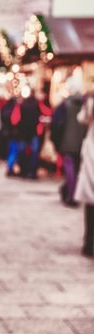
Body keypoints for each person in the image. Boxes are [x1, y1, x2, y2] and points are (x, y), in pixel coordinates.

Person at [51, 77, 87, 207]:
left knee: (70, 171)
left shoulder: (64, 106)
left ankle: (71, 196)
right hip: (82, 144)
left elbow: (56, 125)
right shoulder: (85, 105)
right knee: (76, 171)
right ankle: (72, 193)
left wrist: (56, 141)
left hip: (67, 144)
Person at [74, 94, 94, 257]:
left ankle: (89, 241)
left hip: (92, 153)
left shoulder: (90, 101)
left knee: (90, 201)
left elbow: (82, 118)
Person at [18, 91, 41, 179]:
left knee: (23, 152)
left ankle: (23, 170)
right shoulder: (36, 104)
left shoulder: (22, 104)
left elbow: (17, 119)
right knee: (34, 153)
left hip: (23, 133)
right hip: (33, 132)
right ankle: (32, 171)